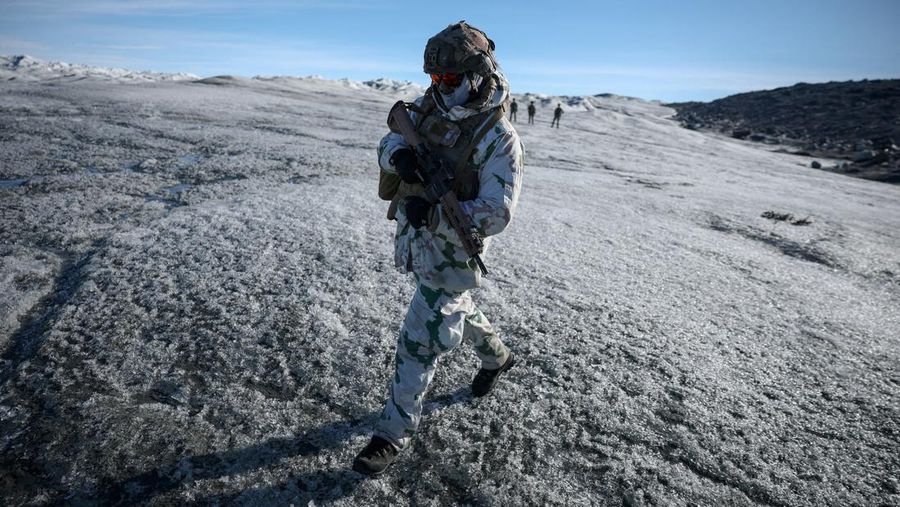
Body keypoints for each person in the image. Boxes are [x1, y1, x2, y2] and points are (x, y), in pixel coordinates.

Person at [355, 21, 525, 476]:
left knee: (417, 341)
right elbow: (389, 140)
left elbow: (498, 211)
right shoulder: (426, 110)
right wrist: (399, 156)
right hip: (420, 244)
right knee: (458, 309)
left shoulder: (498, 137)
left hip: (452, 253)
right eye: (434, 78)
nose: (440, 86)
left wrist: (432, 213)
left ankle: (392, 433)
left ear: (477, 73)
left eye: (449, 79)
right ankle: (498, 357)